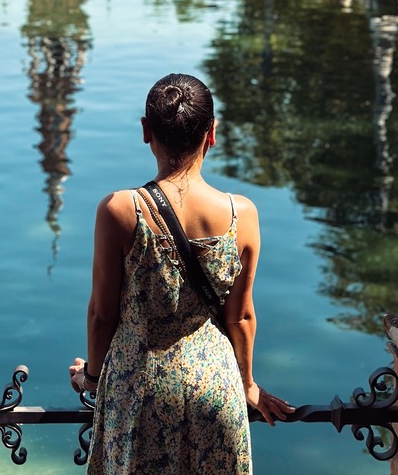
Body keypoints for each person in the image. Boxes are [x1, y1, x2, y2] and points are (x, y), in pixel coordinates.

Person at [69, 72, 294, 474]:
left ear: (145, 131)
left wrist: (91, 375)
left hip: (139, 389)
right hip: (215, 388)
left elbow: (102, 316)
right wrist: (247, 385)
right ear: (212, 133)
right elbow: (240, 317)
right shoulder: (242, 214)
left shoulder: (119, 211)